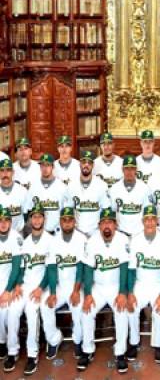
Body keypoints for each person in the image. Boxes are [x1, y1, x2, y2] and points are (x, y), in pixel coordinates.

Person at [7, 203, 57, 375]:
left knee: (31, 312)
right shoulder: (25, 242)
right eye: (34, 217)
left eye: (40, 216)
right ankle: (12, 352)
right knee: (12, 310)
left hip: (42, 286)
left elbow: (51, 269)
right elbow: (21, 268)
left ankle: (32, 354)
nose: (36, 220)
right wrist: (19, 284)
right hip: (26, 285)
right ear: (30, 220)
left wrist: (41, 288)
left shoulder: (50, 240)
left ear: (44, 218)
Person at [78, 208, 129, 373]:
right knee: (86, 311)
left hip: (116, 286)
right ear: (99, 225)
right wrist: (87, 295)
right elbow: (87, 270)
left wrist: (122, 292)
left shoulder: (122, 239)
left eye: (110, 222)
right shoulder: (92, 241)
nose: (107, 225)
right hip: (98, 287)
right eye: (104, 222)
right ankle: (87, 350)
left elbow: (125, 268)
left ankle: (120, 352)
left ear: (115, 225)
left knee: (122, 311)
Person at [40, 207, 86, 361]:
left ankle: (78, 341)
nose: (67, 223)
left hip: (77, 285)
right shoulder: (53, 241)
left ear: (74, 221)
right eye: (64, 220)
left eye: (70, 220)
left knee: (78, 307)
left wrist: (75, 290)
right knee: (45, 305)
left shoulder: (81, 239)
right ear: (60, 221)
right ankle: (54, 338)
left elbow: (81, 267)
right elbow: (52, 268)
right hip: (59, 285)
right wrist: (52, 292)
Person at [127, 205, 160, 363]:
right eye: (147, 219)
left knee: (158, 309)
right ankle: (134, 342)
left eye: (152, 219)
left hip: (157, 283)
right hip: (141, 283)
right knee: (132, 307)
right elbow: (131, 270)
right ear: (142, 221)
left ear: (157, 221)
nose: (150, 222)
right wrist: (130, 292)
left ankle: (158, 345)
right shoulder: (136, 240)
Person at [0, 206, 23, 372]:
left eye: (6, 220)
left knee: (9, 312)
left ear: (11, 222)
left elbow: (16, 267)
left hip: (10, 280)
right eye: (0, 220)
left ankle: (12, 350)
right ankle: (2, 341)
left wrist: (8, 289)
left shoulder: (15, 237)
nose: (3, 223)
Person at [67, 150, 110, 237]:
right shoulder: (71, 185)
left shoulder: (102, 185)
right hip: (77, 232)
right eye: (83, 162)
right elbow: (68, 209)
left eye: (89, 162)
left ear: (93, 165)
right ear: (79, 164)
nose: (86, 165)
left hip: (96, 232)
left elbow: (106, 209)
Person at [25, 153, 70, 234]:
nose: (45, 168)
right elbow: (28, 210)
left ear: (53, 167)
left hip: (57, 232)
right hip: (39, 232)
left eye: (48, 165)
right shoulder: (33, 187)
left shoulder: (62, 187)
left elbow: (66, 212)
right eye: (42, 165)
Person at [109, 154, 151, 237]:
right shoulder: (114, 189)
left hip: (139, 233)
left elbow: (147, 213)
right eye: (126, 168)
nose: (129, 171)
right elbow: (112, 212)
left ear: (136, 170)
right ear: (122, 169)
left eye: (132, 168)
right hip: (120, 233)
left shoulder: (144, 188)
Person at [0, 157, 28, 234]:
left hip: (18, 233)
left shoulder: (22, 191)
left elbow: (26, 213)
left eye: (8, 170)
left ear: (13, 172)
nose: (5, 174)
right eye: (2, 170)